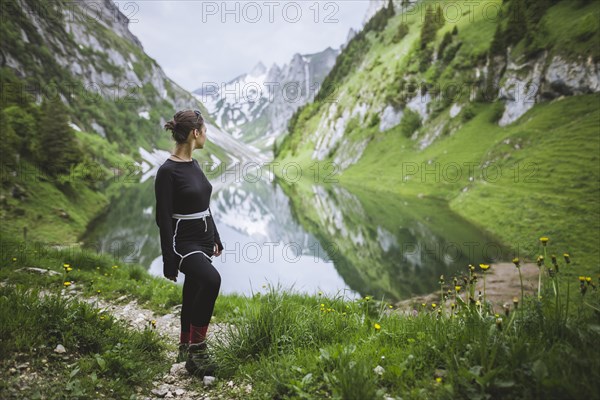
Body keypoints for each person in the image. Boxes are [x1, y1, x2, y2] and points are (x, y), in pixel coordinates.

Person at [154, 109, 224, 377]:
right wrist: (169, 258)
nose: (206, 135)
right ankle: (198, 352)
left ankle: (185, 346)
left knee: (194, 288)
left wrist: (215, 235)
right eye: (205, 130)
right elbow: (163, 219)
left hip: (204, 240)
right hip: (185, 243)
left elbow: (203, 205)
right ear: (195, 133)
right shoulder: (167, 172)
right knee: (211, 280)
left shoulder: (193, 165)